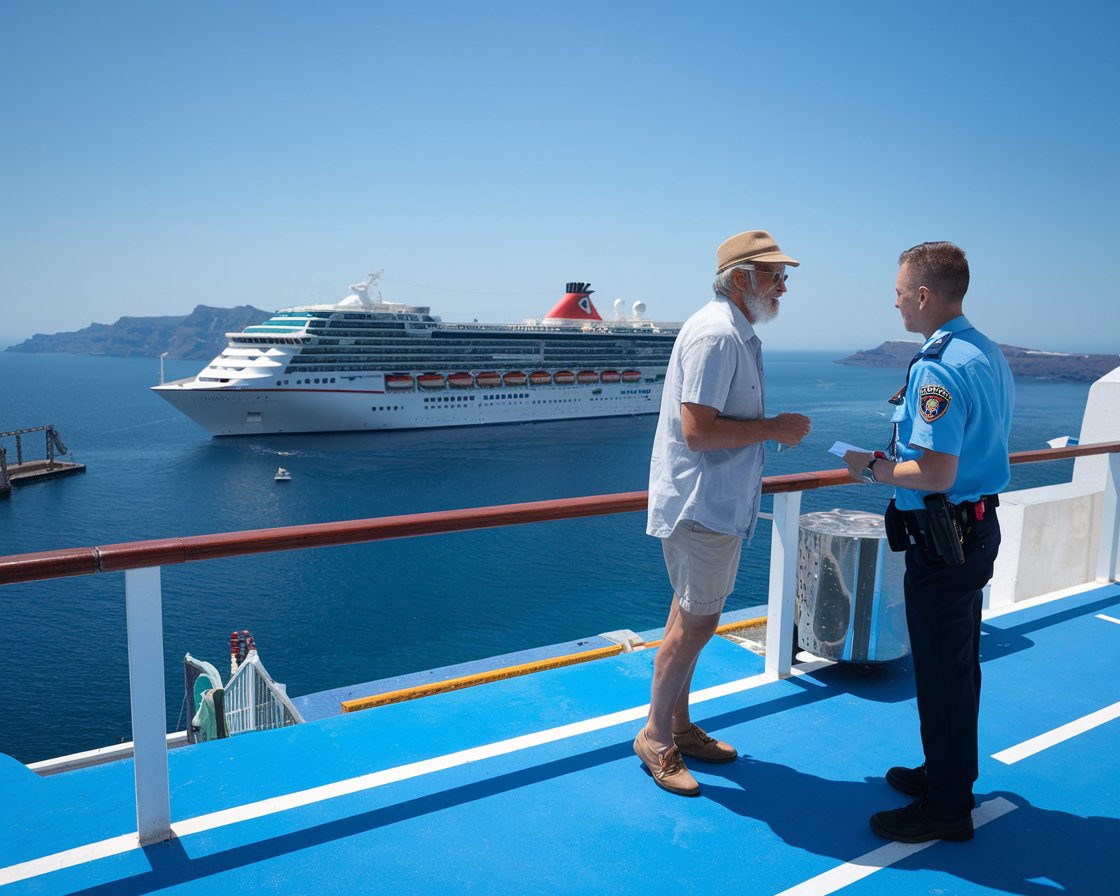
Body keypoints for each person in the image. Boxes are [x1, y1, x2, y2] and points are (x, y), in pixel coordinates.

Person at [844, 241, 1014, 842]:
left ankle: (946, 808)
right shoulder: (986, 351)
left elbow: (936, 473)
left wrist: (872, 468)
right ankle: (949, 775)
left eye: (898, 293)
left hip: (944, 539)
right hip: (976, 528)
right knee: (959, 665)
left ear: (922, 294)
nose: (894, 304)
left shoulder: (938, 365)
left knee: (942, 673)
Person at [635, 230, 811, 796]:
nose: (784, 285)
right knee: (698, 624)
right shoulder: (717, 337)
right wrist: (775, 429)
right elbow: (699, 430)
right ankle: (656, 737)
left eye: (785, 275)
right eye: (774, 274)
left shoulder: (736, 331)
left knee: (687, 616)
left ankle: (680, 727)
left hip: (710, 504)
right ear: (741, 278)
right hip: (702, 506)